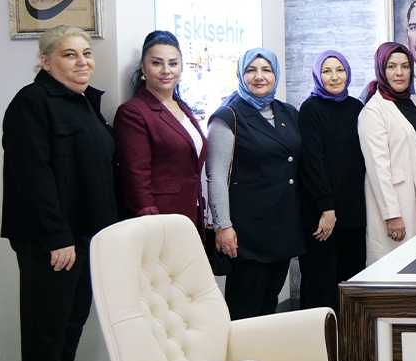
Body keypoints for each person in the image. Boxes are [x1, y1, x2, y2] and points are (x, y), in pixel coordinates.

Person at [2, 25, 116, 361]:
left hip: (84, 237)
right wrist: (56, 237)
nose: (82, 61)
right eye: (70, 54)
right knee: (45, 326)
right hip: (52, 240)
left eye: (86, 53)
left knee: (70, 324)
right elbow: (32, 176)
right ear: (46, 61)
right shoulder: (31, 103)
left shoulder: (84, 103)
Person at [207, 48, 304, 320]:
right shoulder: (228, 117)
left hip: (282, 228)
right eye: (251, 70)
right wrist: (223, 226)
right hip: (247, 234)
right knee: (244, 310)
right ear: (241, 75)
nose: (259, 76)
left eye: (266, 70)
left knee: (269, 305)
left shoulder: (288, 112)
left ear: (276, 74)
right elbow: (216, 176)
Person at [360, 42, 416, 262]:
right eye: (391, 66)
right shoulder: (373, 111)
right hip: (399, 201)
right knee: (402, 266)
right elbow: (378, 169)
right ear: (381, 70)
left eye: (405, 66)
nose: (399, 73)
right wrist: (391, 215)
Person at [115, 30, 207, 231]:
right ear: (143, 67)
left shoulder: (183, 108)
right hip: (161, 219)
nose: (166, 70)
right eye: (157, 63)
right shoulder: (133, 112)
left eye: (173, 63)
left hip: (191, 212)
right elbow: (136, 177)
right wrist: (151, 222)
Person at [298, 50, 367, 313]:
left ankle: (350, 338)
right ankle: (320, 338)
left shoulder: (357, 108)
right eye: (327, 71)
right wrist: (327, 208)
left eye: (340, 70)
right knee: (321, 285)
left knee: (351, 285)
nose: (334, 77)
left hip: (353, 213)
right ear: (318, 75)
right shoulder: (310, 109)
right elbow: (312, 162)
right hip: (322, 215)